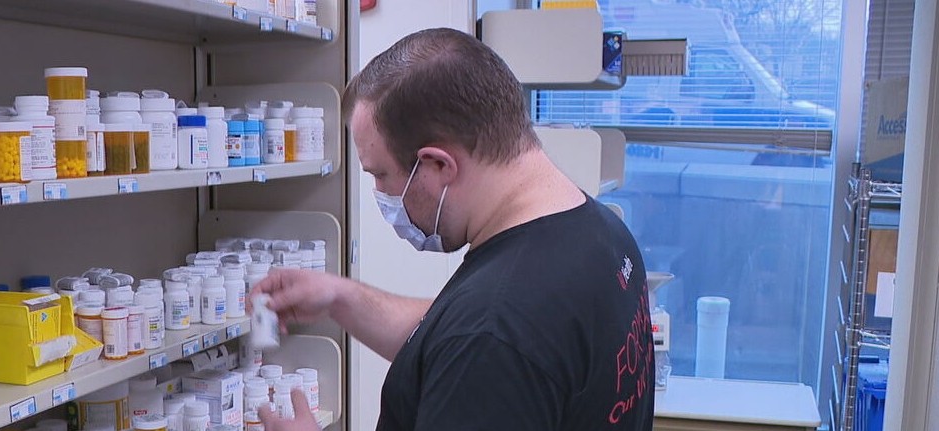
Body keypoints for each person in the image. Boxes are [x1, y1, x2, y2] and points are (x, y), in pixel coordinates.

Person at [255, 28, 654, 430]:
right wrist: (339, 298)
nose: (380, 193)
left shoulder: (492, 336)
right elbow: (453, 332)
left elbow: (481, 336)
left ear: (438, 165)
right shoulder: (598, 231)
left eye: (380, 174)